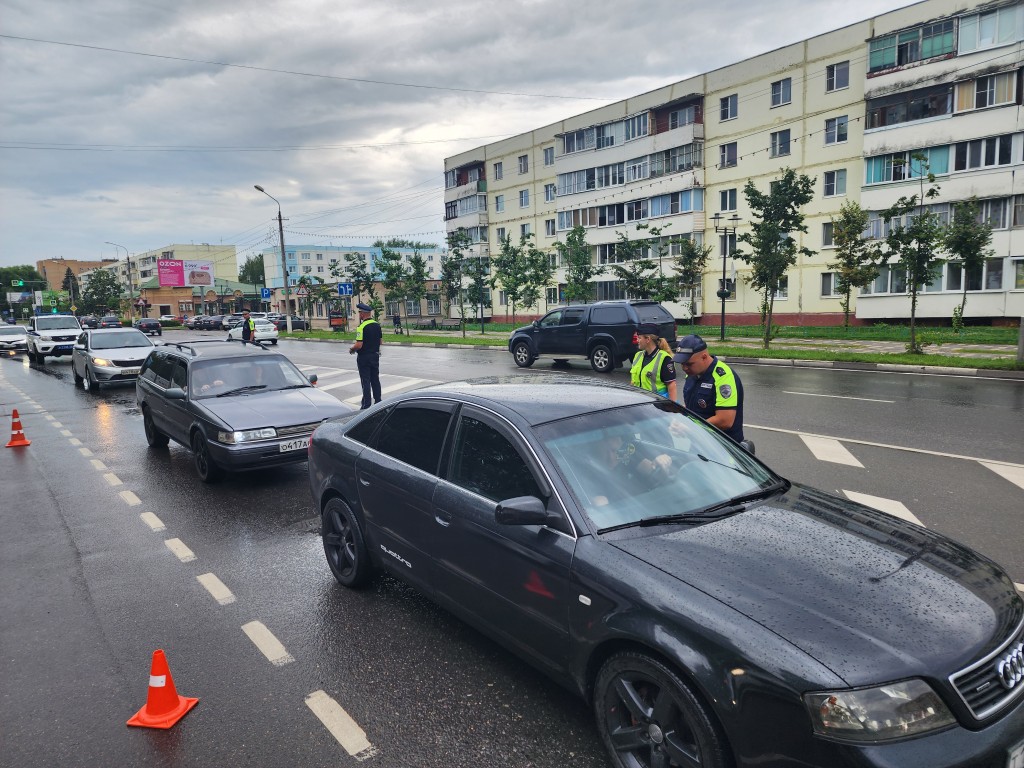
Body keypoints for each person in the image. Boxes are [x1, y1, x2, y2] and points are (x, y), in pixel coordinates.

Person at [673, 334, 745, 443]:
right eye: (682, 364)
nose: (684, 368)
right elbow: (692, 405)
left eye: (689, 364)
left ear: (704, 357)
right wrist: (679, 418)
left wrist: (692, 428)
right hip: (700, 441)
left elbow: (725, 420)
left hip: (723, 446)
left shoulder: (723, 377)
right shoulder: (692, 374)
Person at [629, 323, 677, 400]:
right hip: (638, 402)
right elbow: (633, 381)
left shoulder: (664, 358)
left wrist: (673, 408)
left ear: (648, 339)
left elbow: (671, 385)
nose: (637, 340)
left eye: (639, 337)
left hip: (657, 404)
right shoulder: (637, 355)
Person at [350, 302, 382, 409]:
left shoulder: (361, 327)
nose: (359, 315)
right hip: (375, 356)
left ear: (363, 314)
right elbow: (380, 341)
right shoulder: (377, 325)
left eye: (360, 313)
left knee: (366, 381)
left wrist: (352, 349)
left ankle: (366, 405)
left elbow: (359, 345)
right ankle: (378, 402)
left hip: (364, 357)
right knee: (375, 379)